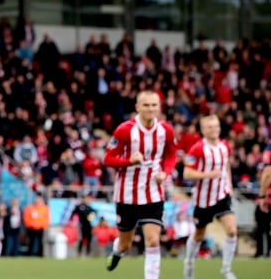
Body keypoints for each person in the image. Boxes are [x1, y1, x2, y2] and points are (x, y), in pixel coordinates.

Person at [103, 91, 177, 279]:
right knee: (125, 245)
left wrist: (165, 173)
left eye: (154, 105)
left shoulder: (166, 130)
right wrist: (129, 161)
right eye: (146, 105)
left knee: (152, 241)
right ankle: (117, 252)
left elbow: (171, 156)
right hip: (127, 195)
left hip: (154, 193)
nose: (151, 109)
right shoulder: (125, 130)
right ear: (137, 107)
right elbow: (108, 159)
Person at [182, 114, 237, 279]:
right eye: (210, 127)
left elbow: (226, 165)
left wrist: (230, 186)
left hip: (222, 195)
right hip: (203, 199)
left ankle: (226, 269)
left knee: (232, 230)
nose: (214, 129)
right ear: (203, 130)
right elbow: (187, 173)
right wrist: (207, 174)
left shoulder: (225, 146)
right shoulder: (197, 149)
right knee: (199, 235)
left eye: (216, 126)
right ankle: (189, 262)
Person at [72, 193, 97, 257]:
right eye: (85, 198)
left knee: (89, 239)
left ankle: (88, 252)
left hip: (88, 225)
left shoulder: (89, 207)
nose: (86, 200)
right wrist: (73, 221)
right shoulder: (79, 206)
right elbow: (73, 213)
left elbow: (95, 212)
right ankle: (79, 252)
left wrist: (91, 217)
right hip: (81, 225)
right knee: (82, 238)